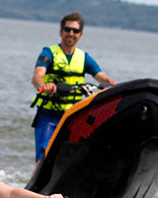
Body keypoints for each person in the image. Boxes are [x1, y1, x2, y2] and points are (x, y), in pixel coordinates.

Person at [30, 12, 116, 163]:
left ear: (80, 34)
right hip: (48, 115)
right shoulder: (48, 53)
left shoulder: (84, 58)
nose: (71, 33)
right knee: (44, 157)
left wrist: (115, 88)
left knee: (76, 157)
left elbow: (103, 78)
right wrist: (44, 85)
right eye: (67, 29)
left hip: (72, 116)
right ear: (61, 31)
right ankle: (37, 181)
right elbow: (37, 76)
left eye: (75, 31)